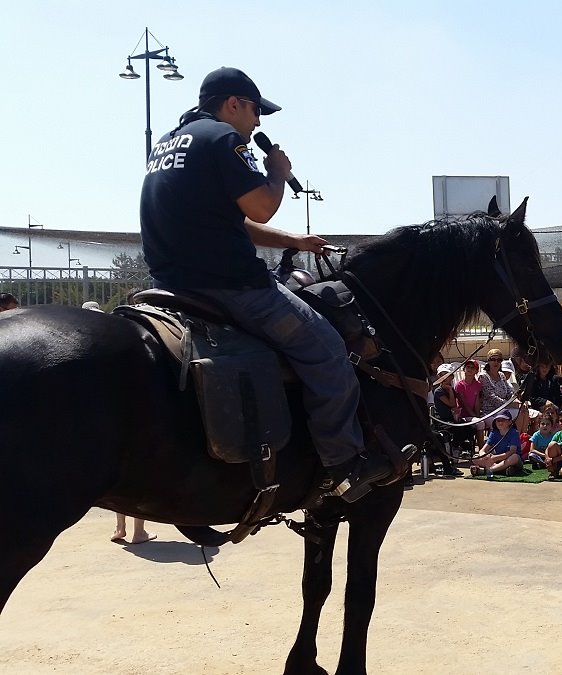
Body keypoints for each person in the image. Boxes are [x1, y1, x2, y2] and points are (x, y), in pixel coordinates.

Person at [139, 67, 388, 502]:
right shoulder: (224, 139)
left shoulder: (170, 143)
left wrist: (294, 240)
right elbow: (262, 206)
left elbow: (231, 219)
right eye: (256, 111)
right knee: (329, 352)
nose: (258, 123)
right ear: (232, 103)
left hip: (172, 284)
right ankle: (342, 464)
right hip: (233, 287)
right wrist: (277, 172)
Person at [470, 411, 523, 477]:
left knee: (515, 457)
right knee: (475, 458)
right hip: (497, 460)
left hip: (511, 459)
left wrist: (495, 458)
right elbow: (483, 450)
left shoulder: (514, 433)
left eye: (503, 420)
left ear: (510, 422)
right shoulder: (494, 433)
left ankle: (486, 470)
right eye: (498, 420)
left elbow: (512, 451)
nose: (500, 422)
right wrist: (484, 455)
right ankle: (502, 469)